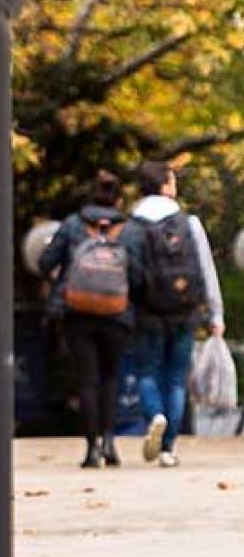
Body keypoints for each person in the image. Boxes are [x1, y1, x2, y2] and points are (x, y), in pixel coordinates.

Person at [122, 160, 225, 468]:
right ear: (165, 186)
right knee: (176, 378)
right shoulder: (188, 222)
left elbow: (129, 274)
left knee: (146, 372)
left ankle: (155, 415)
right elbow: (206, 268)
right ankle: (168, 449)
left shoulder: (133, 226)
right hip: (185, 311)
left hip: (147, 313)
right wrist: (215, 313)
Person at [38, 171, 132, 468]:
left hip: (77, 312)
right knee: (111, 377)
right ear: (118, 199)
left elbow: (45, 262)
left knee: (87, 380)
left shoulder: (72, 224)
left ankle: (91, 448)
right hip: (117, 313)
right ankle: (109, 441)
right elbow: (141, 272)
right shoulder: (128, 230)